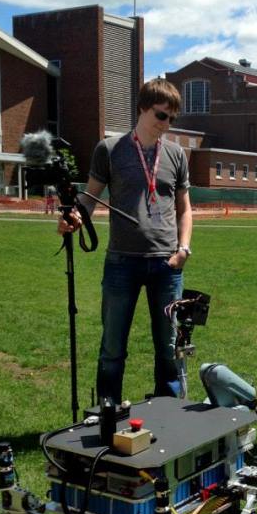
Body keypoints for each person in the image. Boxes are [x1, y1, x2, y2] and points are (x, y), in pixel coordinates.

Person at [58, 78, 192, 404]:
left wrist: (184, 249)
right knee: (113, 346)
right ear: (143, 108)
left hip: (167, 264)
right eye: (161, 116)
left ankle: (169, 412)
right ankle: (107, 413)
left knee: (168, 348)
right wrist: (75, 219)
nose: (166, 124)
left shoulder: (175, 154)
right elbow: (90, 197)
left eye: (172, 119)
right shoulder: (109, 149)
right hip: (122, 262)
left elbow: (185, 208)